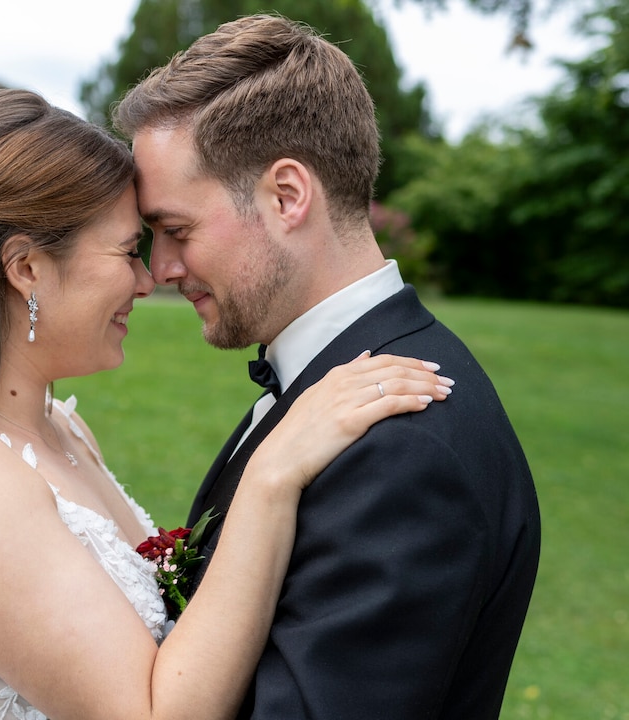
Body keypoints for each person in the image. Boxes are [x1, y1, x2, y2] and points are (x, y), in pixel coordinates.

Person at [0, 88, 451, 720]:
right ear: (27, 267)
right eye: (129, 250)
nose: (149, 278)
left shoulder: (61, 429)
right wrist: (272, 478)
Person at [112, 13, 541, 720]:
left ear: (287, 196)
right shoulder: (332, 385)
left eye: (176, 230)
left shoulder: (402, 451)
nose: (160, 270)